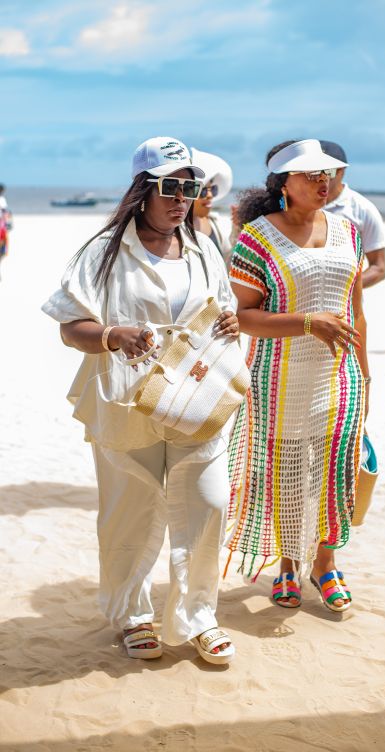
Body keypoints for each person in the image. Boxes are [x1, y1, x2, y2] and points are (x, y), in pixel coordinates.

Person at [42, 137, 239, 664]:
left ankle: (199, 616)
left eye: (190, 189)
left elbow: (222, 309)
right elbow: (70, 327)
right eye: (170, 187)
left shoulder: (203, 249)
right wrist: (113, 335)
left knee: (209, 504)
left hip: (196, 398)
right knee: (129, 511)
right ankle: (133, 614)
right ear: (143, 190)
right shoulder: (103, 252)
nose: (181, 199)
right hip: (127, 401)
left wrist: (229, 321)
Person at [226, 139, 370, 612]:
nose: (322, 181)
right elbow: (242, 316)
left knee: (335, 472)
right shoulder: (257, 237)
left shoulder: (348, 232)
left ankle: (324, 564)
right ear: (283, 183)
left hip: (340, 376)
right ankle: (288, 564)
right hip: (278, 378)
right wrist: (308, 323)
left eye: (326, 173)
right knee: (286, 472)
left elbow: (356, 311)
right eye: (310, 174)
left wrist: (366, 377)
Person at [320, 141, 385, 289]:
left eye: (327, 171)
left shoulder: (363, 210)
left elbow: (379, 267)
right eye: (314, 172)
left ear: (342, 171)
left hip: (345, 302)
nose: (321, 177)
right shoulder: (296, 206)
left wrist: (343, 289)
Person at [190, 147, 233, 265]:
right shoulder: (174, 229)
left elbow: (227, 266)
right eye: (203, 191)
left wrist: (236, 232)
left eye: (213, 189)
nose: (210, 195)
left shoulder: (217, 224)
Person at [0, 184, 13, 280]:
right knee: (3, 250)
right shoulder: (2, 200)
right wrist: (9, 224)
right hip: (1, 227)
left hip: (2, 226)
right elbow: (6, 213)